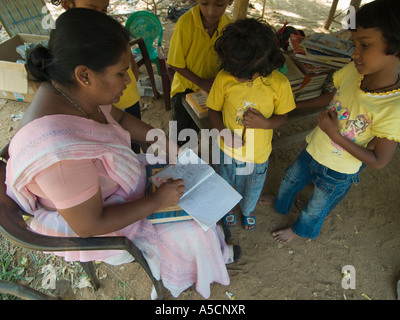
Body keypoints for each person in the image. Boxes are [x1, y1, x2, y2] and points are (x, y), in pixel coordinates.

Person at [5, 8, 240, 299]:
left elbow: (123, 120)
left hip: (116, 184)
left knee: (193, 184)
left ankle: (212, 245)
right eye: (120, 72)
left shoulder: (70, 91)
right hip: (103, 220)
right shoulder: (59, 155)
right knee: (193, 228)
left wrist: (171, 147)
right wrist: (156, 201)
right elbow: (91, 224)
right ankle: (196, 263)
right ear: (84, 75)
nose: (130, 79)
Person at [262, 0, 400, 243]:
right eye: (354, 43)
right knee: (291, 178)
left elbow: (379, 160)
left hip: (340, 170)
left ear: (396, 47)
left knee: (318, 205)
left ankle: (299, 230)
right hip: (314, 148)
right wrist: (296, 105)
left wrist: (335, 135)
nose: (354, 52)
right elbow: (334, 95)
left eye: (365, 44)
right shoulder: (354, 72)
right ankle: (281, 202)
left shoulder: (394, 108)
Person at [207, 18, 296, 231]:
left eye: (243, 73)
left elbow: (283, 116)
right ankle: (228, 209)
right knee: (225, 182)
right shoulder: (223, 78)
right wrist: (222, 132)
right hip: (227, 149)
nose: (236, 78)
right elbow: (213, 110)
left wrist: (266, 123)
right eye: (233, 71)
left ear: (265, 64)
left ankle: (248, 209)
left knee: (253, 186)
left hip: (258, 154)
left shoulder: (279, 84)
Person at [50, 0, 144, 153]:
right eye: (92, 9)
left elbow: (118, 117)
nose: (100, 17)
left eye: (105, 10)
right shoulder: (65, 145)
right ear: (84, 76)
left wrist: (157, 138)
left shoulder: (90, 97)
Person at [166, 0, 233, 146]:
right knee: (179, 134)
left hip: (209, 91)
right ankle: (173, 160)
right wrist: (200, 82)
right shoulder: (185, 24)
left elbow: (227, 59)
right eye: (204, 3)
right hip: (184, 90)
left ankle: (186, 158)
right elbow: (174, 63)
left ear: (230, 2)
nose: (210, 11)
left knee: (195, 130)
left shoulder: (228, 26)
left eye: (219, 5)